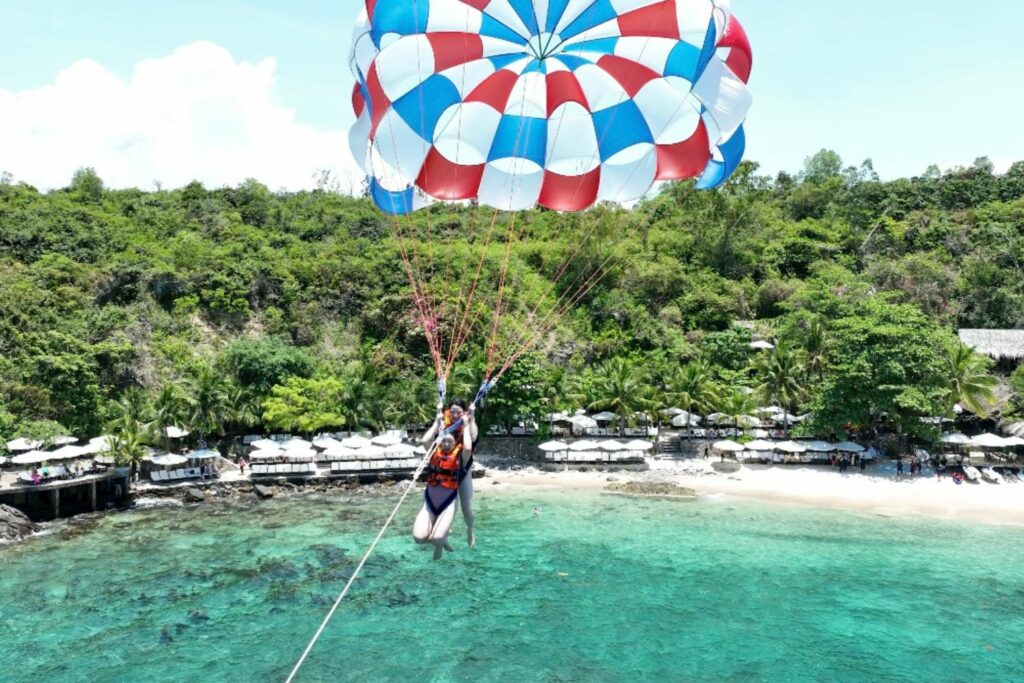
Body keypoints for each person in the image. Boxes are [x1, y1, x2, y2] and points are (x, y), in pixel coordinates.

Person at [414, 407, 475, 560]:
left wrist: (466, 425)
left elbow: (468, 447)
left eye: (450, 441)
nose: (447, 444)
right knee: (419, 538)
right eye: (444, 440)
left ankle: (441, 541)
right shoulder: (434, 452)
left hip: (448, 501)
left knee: (436, 539)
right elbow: (424, 440)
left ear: (455, 443)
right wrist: (436, 421)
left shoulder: (461, 457)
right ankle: (442, 537)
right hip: (430, 499)